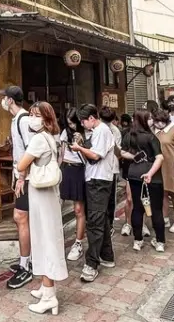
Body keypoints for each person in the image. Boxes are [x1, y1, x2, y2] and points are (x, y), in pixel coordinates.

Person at [16, 102, 68, 314]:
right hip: (46, 195)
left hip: (41, 195)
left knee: (45, 241)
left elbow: (21, 164)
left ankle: (49, 295)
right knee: (46, 238)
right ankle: (46, 288)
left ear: (46, 118)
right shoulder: (51, 137)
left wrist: (22, 170)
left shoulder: (39, 139)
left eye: (36, 115)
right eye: (31, 114)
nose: (32, 118)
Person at [71, 104, 115, 283]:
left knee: (94, 222)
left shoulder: (102, 131)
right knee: (100, 218)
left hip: (99, 181)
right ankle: (107, 255)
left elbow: (96, 156)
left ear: (92, 118)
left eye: (83, 121)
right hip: (96, 179)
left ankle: (91, 264)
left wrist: (80, 149)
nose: (83, 124)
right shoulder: (97, 132)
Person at [0, 85, 35, 289]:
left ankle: (26, 266)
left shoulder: (23, 120)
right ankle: (27, 260)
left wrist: (21, 176)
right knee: (23, 219)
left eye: (4, 98)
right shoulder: (17, 120)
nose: (3, 101)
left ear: (11, 100)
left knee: (20, 218)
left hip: (27, 179)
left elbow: (32, 150)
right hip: (21, 176)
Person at [120, 110, 165, 251]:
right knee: (156, 209)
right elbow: (160, 157)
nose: (153, 120)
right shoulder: (151, 138)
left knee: (137, 209)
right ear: (144, 120)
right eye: (150, 118)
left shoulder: (129, 135)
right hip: (153, 177)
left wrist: (134, 157)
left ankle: (137, 240)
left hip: (134, 174)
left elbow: (121, 152)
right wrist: (150, 173)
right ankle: (160, 242)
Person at [151, 110, 174, 234]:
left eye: (162, 121)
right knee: (162, 192)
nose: (159, 124)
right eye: (157, 121)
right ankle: (164, 217)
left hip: (173, 167)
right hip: (158, 167)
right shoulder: (153, 131)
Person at [60, 108, 88, 262]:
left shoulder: (87, 133)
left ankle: (78, 243)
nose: (71, 126)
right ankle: (56, 241)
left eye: (73, 123)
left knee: (78, 209)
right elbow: (61, 154)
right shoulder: (65, 133)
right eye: (68, 123)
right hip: (66, 170)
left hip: (80, 170)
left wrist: (82, 143)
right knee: (58, 205)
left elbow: (91, 157)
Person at [99, 107, 128, 238]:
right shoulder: (101, 128)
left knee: (110, 198)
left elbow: (118, 151)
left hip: (111, 168)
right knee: (106, 199)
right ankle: (105, 224)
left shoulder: (114, 130)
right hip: (103, 168)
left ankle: (109, 225)